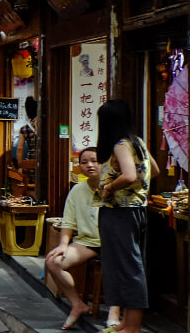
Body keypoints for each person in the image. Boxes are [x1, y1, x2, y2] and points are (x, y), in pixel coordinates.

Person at [93, 99, 157, 333]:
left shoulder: (120, 145)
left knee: (127, 267)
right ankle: (128, 322)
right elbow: (155, 170)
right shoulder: (136, 142)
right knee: (127, 265)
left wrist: (109, 187)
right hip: (136, 211)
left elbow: (130, 175)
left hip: (120, 212)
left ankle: (133, 326)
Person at [46, 147, 114, 331]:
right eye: (84, 162)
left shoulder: (115, 186)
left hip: (113, 243)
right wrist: (63, 244)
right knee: (53, 261)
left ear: (104, 163)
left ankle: (116, 314)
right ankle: (77, 304)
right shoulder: (77, 190)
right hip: (88, 243)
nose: (89, 165)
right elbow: (68, 222)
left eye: (94, 160)